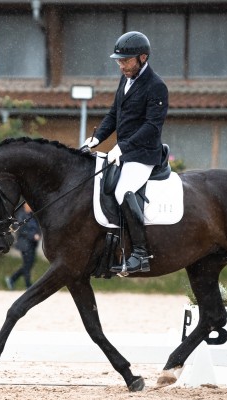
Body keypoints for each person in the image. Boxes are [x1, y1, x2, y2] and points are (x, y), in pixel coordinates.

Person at [82, 31, 169, 274]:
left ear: (142, 57)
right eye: (119, 61)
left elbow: (152, 126)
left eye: (125, 61)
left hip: (143, 155)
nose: (121, 65)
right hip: (125, 152)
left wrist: (122, 147)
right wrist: (97, 138)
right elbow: (114, 115)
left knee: (123, 190)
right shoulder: (126, 79)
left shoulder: (156, 86)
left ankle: (140, 254)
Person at [5, 203, 41, 290]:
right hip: (25, 244)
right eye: (29, 204)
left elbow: (38, 227)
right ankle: (28, 285)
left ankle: (12, 279)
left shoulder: (32, 215)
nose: (31, 206)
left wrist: (39, 234)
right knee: (27, 265)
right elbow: (21, 231)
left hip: (32, 244)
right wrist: (33, 236)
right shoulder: (21, 215)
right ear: (25, 205)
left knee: (29, 264)